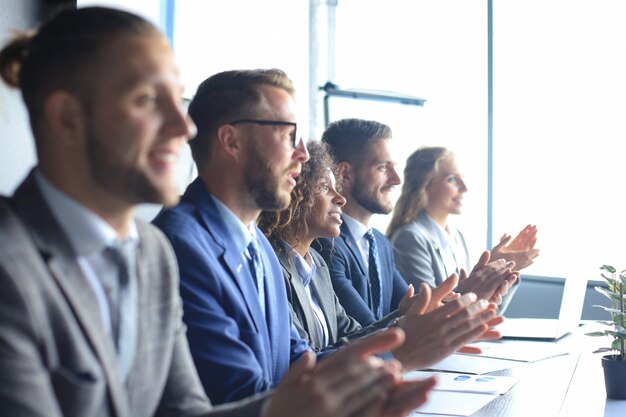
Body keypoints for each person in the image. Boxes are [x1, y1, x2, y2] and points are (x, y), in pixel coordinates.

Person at [0, 8, 436, 417]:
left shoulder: (150, 251)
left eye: (178, 99)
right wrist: (396, 352)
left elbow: (188, 410)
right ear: (66, 118)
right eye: (148, 100)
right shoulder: (12, 264)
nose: (185, 126)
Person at [152, 68, 452, 408]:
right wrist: (399, 349)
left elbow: (300, 362)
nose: (303, 154)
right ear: (231, 140)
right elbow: (246, 395)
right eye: (287, 135)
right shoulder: (178, 246)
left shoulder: (261, 247)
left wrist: (403, 335)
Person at [257, 141, 503, 363]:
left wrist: (401, 317)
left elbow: (352, 335)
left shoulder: (317, 264)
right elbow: (304, 362)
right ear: (294, 195)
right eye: (324, 187)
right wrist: (403, 340)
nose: (340, 199)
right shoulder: (272, 266)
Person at [317, 118, 518, 326]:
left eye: (394, 167)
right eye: (383, 167)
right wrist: (468, 293)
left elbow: (418, 311)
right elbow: (366, 330)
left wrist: (477, 292)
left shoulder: (380, 243)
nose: (396, 179)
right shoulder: (326, 245)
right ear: (345, 174)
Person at [386, 146, 539, 312]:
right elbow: (427, 313)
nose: (464, 187)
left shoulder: (458, 237)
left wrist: (502, 272)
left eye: (463, 178)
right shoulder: (410, 238)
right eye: (452, 179)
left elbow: (485, 311)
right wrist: (485, 276)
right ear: (426, 185)